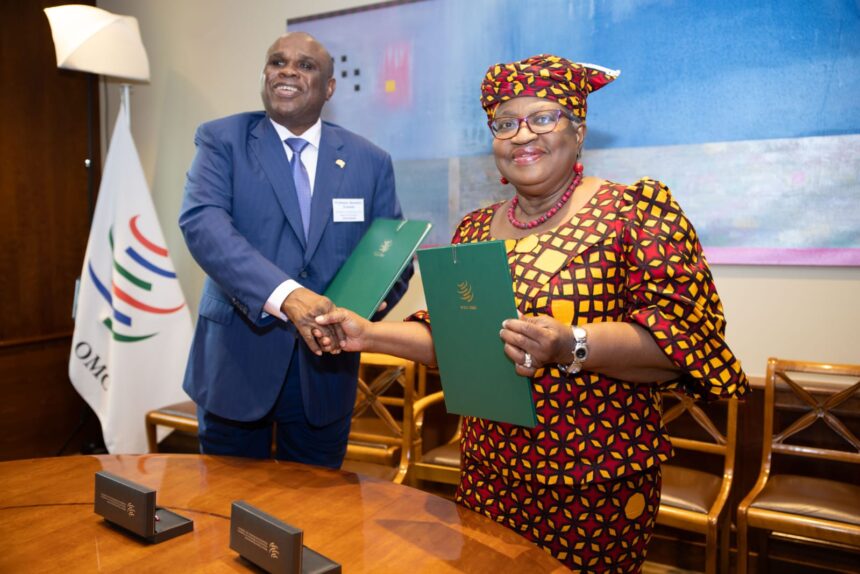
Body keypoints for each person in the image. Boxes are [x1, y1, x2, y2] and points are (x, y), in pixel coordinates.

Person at [314, 54, 749, 571]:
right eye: (505, 123)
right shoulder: (474, 229)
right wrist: (366, 334)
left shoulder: (634, 213)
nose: (523, 136)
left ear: (579, 129)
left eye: (543, 117)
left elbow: (684, 345)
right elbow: (453, 341)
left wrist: (570, 345)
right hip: (488, 472)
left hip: (595, 481)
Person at [178, 32, 412, 468]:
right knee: (224, 512)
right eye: (277, 62)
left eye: (305, 66)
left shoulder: (370, 160)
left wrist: (353, 318)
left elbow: (393, 257)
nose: (287, 71)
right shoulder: (222, 140)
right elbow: (204, 225)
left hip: (325, 371)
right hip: (237, 363)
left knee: (318, 517)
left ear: (328, 88)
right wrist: (288, 296)